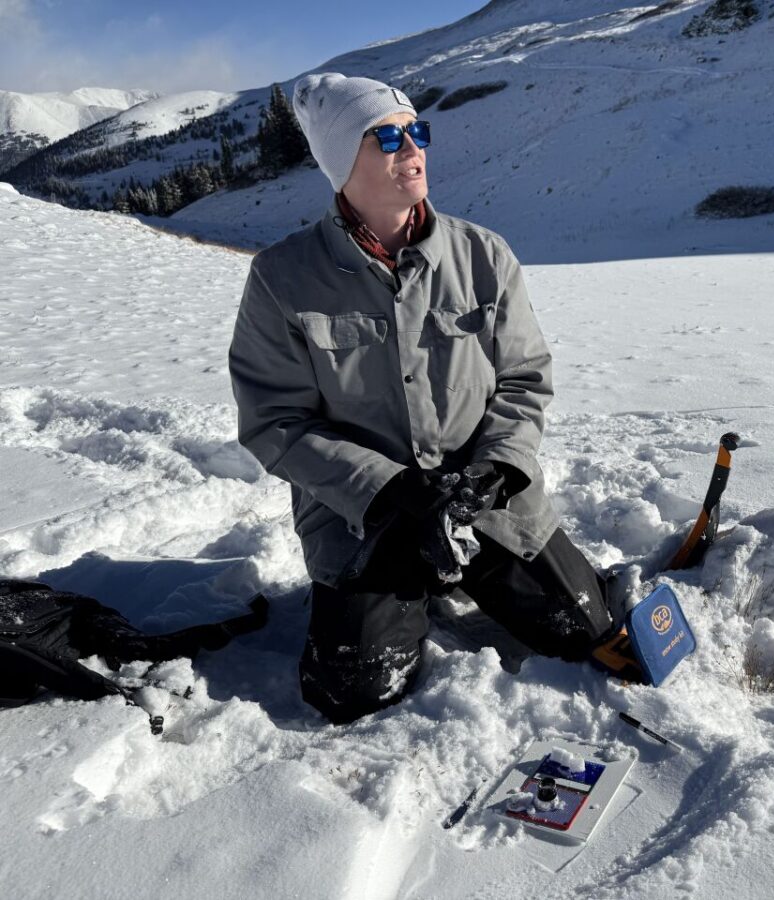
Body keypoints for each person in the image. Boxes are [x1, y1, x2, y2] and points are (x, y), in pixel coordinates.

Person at [227, 73, 617, 724]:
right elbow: (275, 422)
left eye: (416, 131)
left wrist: (498, 469)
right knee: (352, 692)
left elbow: (524, 377)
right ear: (339, 161)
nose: (412, 149)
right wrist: (388, 491)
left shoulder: (483, 255)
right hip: (368, 521)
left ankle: (512, 570)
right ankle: (406, 592)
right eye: (386, 136)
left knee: (583, 629)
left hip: (487, 503)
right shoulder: (282, 278)